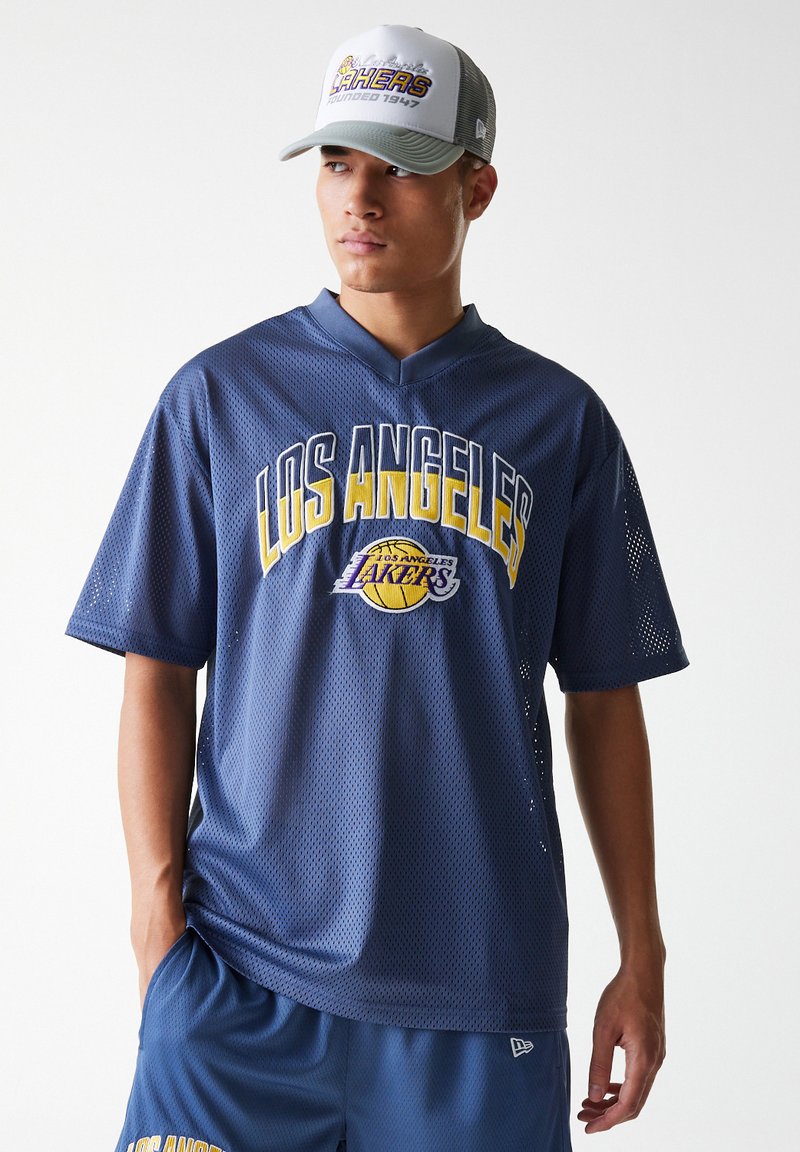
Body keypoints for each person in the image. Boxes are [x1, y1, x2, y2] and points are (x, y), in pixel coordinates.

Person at [67, 23, 688, 1152]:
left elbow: (604, 697)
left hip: (478, 997)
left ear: (476, 188)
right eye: (338, 162)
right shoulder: (219, 398)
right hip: (238, 983)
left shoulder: (560, 422)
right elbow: (155, 665)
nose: (361, 196)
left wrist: (639, 956)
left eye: (400, 166)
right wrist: (158, 934)